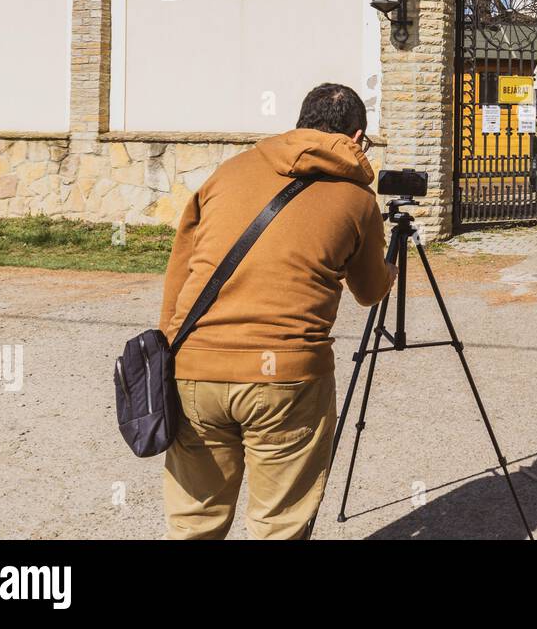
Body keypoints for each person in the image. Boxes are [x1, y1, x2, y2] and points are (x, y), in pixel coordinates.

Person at [159, 83, 396, 539]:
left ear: (300, 122)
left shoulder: (228, 172)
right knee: (278, 525)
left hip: (195, 368)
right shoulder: (357, 199)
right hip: (286, 377)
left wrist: (169, 351)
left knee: (193, 520)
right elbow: (369, 293)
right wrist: (391, 266)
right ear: (358, 137)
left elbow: (180, 272)